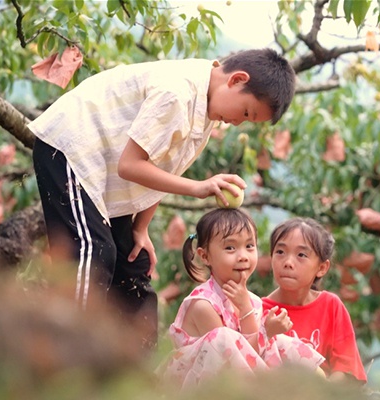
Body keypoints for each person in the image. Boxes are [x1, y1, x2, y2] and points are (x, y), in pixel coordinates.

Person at [28, 48, 295, 348]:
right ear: (237, 80)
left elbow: (162, 164)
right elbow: (130, 165)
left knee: (133, 261)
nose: (238, 122)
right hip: (71, 150)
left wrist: (140, 228)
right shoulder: (177, 93)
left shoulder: (206, 110)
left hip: (101, 172)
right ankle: (63, 357)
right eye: (246, 112)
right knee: (92, 254)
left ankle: (134, 374)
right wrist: (198, 187)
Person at [161, 208, 324, 389]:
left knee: (284, 343)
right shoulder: (202, 305)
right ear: (205, 256)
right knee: (223, 337)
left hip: (234, 380)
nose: (243, 256)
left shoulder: (252, 300)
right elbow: (233, 358)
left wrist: (250, 311)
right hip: (200, 386)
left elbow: (252, 352)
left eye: (249, 246)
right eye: (230, 248)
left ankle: (323, 388)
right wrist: (265, 330)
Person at [262, 218, 368, 384]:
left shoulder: (331, 306)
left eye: (301, 255)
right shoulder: (257, 309)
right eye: (280, 252)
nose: (288, 263)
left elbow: (347, 370)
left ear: (321, 268)